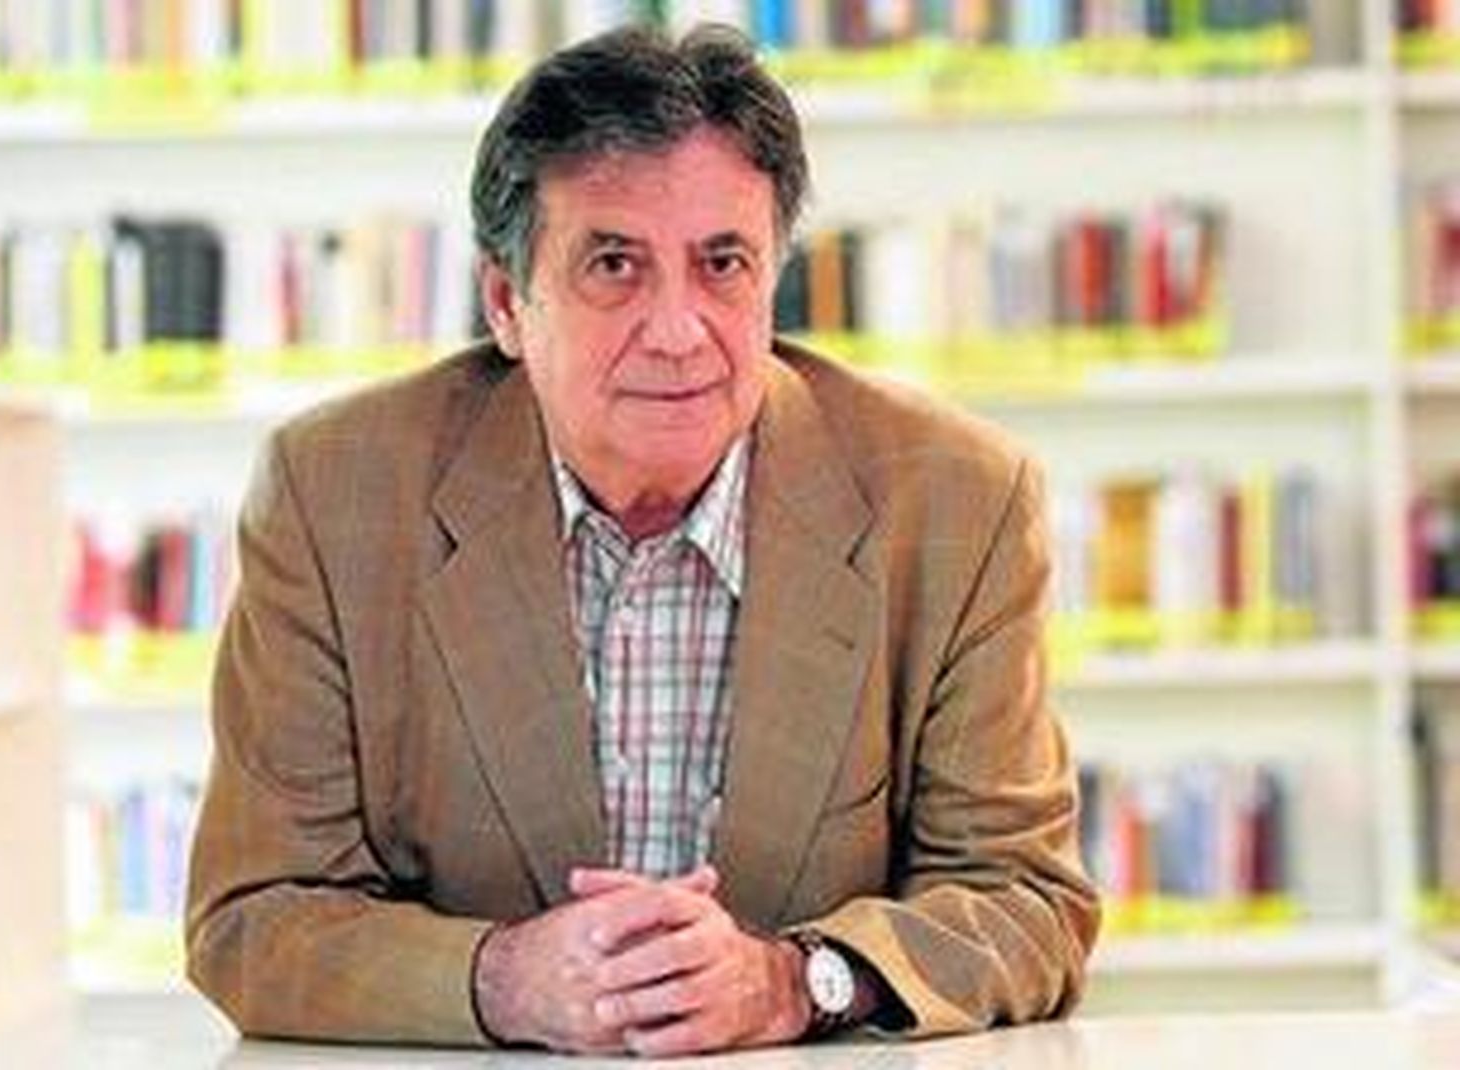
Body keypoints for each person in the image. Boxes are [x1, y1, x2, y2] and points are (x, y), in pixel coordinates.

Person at [185, 22, 1099, 1057]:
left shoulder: (956, 501)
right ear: (506, 302)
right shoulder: (334, 494)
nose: (677, 330)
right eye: (614, 264)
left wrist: (794, 982)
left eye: (723, 263)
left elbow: (1024, 900)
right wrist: (502, 979)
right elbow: (253, 917)